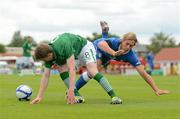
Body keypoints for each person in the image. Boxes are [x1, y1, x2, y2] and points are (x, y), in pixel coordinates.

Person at [75, 21, 170, 97]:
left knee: (92, 73)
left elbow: (143, 73)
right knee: (94, 70)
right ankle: (74, 90)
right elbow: (101, 44)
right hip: (98, 47)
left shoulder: (131, 55)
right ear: (122, 40)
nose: (128, 47)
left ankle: (105, 32)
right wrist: (113, 53)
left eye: (131, 45)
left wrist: (156, 89)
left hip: (107, 56)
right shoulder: (115, 41)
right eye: (127, 44)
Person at [30, 33, 122, 105]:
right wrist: (39, 96)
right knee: (61, 69)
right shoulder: (48, 53)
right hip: (75, 53)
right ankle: (78, 96)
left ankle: (114, 97)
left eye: (44, 60)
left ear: (49, 55)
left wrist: (70, 90)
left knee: (92, 71)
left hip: (84, 47)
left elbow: (72, 69)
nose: (45, 62)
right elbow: (46, 75)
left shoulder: (64, 45)